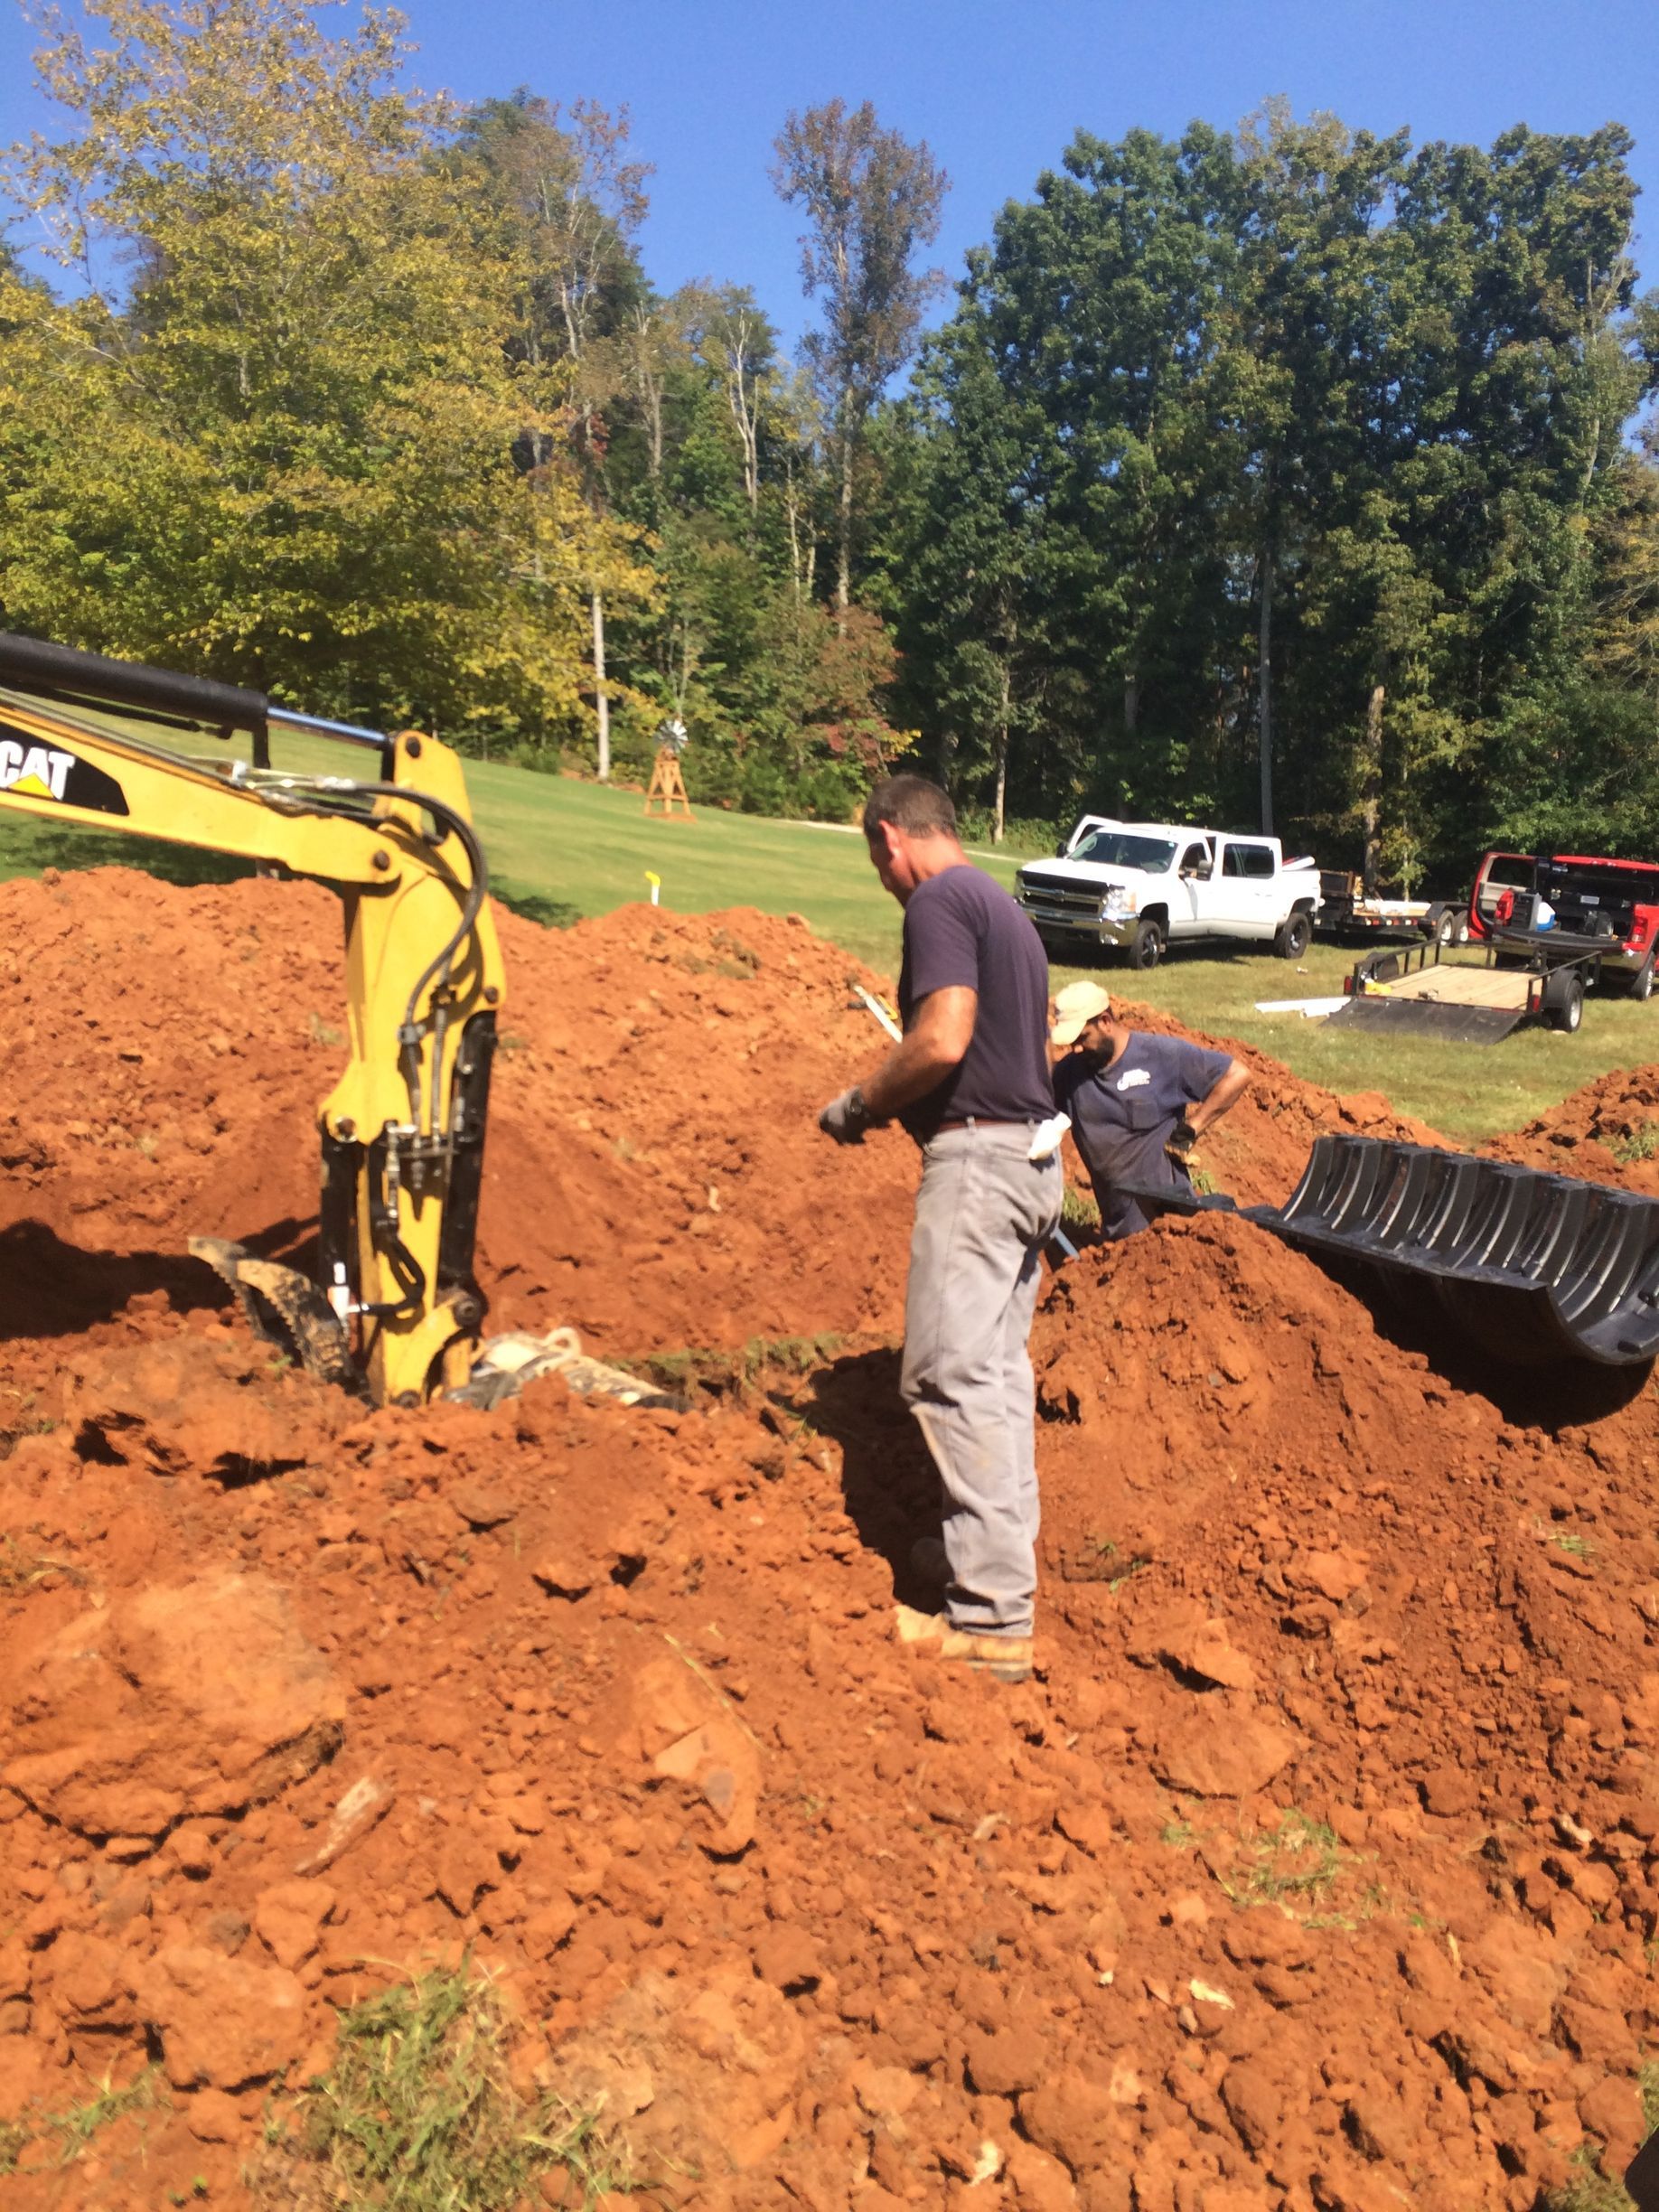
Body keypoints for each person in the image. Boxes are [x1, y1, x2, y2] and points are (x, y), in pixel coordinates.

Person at [817, 774, 1062, 1683]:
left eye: (877, 859)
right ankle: (989, 1574)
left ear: (892, 838)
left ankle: (991, 1622)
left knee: (945, 1377)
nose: (883, 877)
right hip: (1032, 1164)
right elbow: (1023, 1051)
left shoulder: (939, 902)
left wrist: (863, 1102)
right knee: (993, 1382)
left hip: (981, 1165)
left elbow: (943, 1037)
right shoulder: (1006, 911)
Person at [1049, 979, 1250, 1240]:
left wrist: (1191, 1128)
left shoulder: (1162, 1056)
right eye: (1071, 1041)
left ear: (1106, 1022)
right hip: (1117, 1234)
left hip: (1171, 1230)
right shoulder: (1069, 1073)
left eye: (1083, 1038)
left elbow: (1237, 1075)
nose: (1075, 1049)